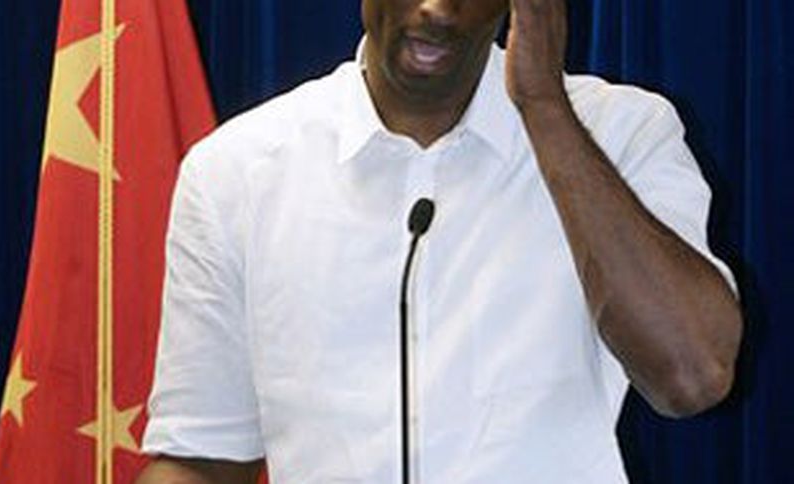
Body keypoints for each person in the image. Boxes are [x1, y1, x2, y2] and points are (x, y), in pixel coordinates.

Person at [137, 0, 743, 482]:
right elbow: (205, 458)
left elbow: (691, 375)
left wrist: (543, 106)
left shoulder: (620, 133)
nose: (437, 9)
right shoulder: (235, 173)